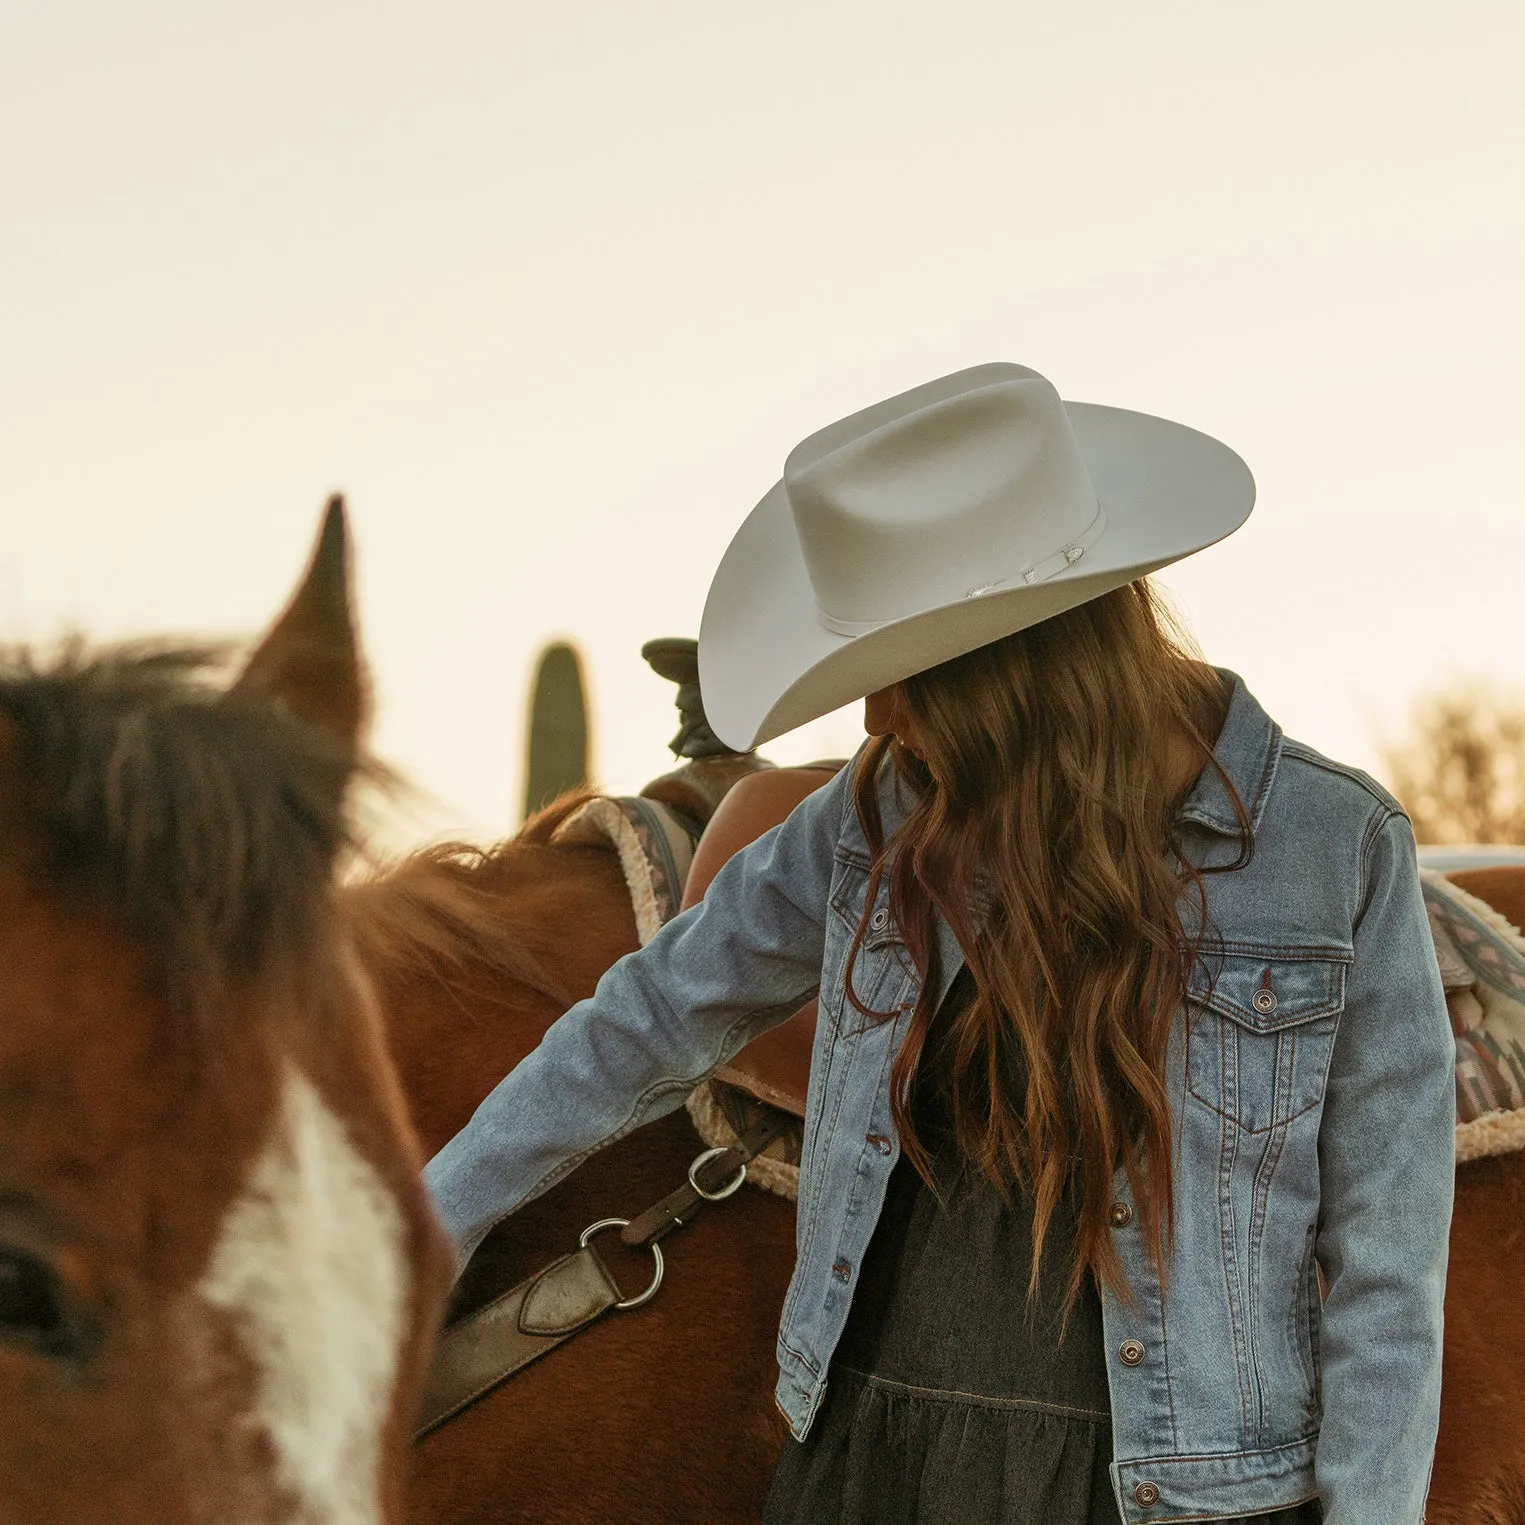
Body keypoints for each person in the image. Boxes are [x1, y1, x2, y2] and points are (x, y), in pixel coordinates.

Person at [424, 363, 1455, 1523]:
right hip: (874, 1465)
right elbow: (648, 1019)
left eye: (900, 674)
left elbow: (1386, 1276)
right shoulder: (875, 817)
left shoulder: (1333, 845)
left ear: (1018, 673)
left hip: (1176, 1493)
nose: (870, 719)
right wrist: (425, 1223)